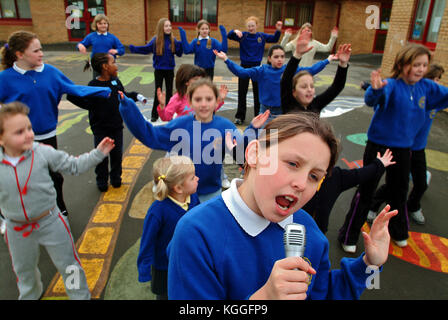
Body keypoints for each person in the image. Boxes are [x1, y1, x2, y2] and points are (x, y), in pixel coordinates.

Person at [167, 112, 398, 300]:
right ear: (255, 154)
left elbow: (325, 293)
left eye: (314, 177)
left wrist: (369, 265)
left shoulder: (311, 233)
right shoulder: (196, 233)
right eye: (292, 163)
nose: (301, 184)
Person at [338, 44, 448, 252]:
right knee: (367, 190)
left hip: (404, 149)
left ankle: (398, 232)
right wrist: (375, 89)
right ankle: (348, 235)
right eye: (415, 65)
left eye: (424, 65)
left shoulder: (427, 87)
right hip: (379, 146)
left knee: (399, 192)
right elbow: (371, 99)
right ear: (403, 64)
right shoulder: (390, 85)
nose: (420, 69)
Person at [0, 101, 115, 300]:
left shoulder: (42, 152)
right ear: (1, 138)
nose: (28, 134)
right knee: (24, 271)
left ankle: (79, 295)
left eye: (29, 128)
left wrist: (98, 154)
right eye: (19, 132)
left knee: (69, 265)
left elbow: (74, 165)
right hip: (17, 229)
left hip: (50, 221)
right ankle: (30, 294)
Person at [0, 31, 112, 216]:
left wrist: (105, 91)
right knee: (17, 177)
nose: (41, 54)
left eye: (41, 49)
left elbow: (75, 89)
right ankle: (8, 214)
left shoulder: (51, 72)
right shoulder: (5, 78)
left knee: (54, 175)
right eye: (36, 51)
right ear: (20, 55)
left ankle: (59, 207)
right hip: (16, 139)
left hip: (47, 136)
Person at [119, 78, 259, 203]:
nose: (203, 104)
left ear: (217, 101)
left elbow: (243, 154)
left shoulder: (225, 127)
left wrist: (252, 129)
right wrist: (128, 107)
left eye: (208, 99)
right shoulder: (180, 125)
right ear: (190, 102)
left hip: (211, 192)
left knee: (207, 229)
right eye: (198, 99)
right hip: (181, 193)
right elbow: (151, 136)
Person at [367, 63, 446, 225]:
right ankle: (374, 205)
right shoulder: (412, 95)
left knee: (421, 184)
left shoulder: (432, 99)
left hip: (418, 149)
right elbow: (381, 104)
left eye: (438, 80)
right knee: (393, 185)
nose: (435, 83)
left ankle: (413, 206)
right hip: (402, 148)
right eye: (432, 79)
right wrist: (375, 90)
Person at [66, 53, 144, 192]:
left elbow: (122, 94)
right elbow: (86, 101)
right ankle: (101, 180)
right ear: (105, 67)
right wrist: (72, 94)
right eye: (113, 62)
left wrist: (137, 96)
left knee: (116, 155)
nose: (116, 65)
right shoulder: (94, 85)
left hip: (116, 126)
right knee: (101, 155)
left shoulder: (115, 81)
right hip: (100, 128)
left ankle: (115, 178)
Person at [137, 155, 200, 300]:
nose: (197, 178)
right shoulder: (157, 212)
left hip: (188, 259)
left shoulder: (194, 198)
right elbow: (147, 242)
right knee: (165, 295)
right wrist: (144, 269)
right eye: (192, 178)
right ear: (178, 188)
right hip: (164, 266)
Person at [214, 44, 332, 121]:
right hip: (265, 111)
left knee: (281, 143)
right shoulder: (262, 70)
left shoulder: (289, 70)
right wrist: (226, 60)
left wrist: (327, 60)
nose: (280, 59)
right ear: (269, 58)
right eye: (276, 57)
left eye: (282, 56)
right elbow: (242, 72)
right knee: (264, 141)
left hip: (284, 111)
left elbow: (311, 70)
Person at [304, 149, 395, 235]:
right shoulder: (300, 174)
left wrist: (379, 164)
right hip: (296, 226)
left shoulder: (336, 176)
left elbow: (359, 174)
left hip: (317, 231)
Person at [281, 30, 351, 115]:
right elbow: (286, 79)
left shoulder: (316, 105)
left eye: (312, 86)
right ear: (294, 92)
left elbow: (337, 86)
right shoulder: (289, 103)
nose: (309, 90)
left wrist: (343, 64)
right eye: (304, 87)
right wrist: (297, 55)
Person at [227, 17, 283, 124]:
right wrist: (234, 31)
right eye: (248, 26)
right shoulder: (243, 36)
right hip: (244, 67)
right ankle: (240, 116)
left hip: (257, 69)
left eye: (252, 25)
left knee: (258, 94)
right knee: (242, 93)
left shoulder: (261, 36)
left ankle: (258, 116)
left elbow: (274, 39)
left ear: (257, 25)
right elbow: (229, 36)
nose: (250, 28)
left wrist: (278, 30)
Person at [129, 18, 183, 122]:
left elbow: (179, 53)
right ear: (161, 28)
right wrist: (134, 48)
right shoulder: (156, 40)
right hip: (159, 70)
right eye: (166, 26)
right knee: (157, 92)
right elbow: (146, 49)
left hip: (169, 70)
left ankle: (168, 113)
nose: (168, 28)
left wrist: (180, 45)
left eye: (170, 26)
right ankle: (155, 114)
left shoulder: (173, 40)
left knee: (169, 92)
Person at [156, 64, 227, 121]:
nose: (200, 82)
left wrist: (220, 99)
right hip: (183, 133)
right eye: (196, 79)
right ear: (186, 81)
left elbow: (210, 109)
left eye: (201, 79)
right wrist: (162, 106)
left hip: (199, 130)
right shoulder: (177, 98)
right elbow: (166, 117)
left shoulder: (202, 95)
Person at [77, 14, 125, 78]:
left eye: (105, 23)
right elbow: (81, 44)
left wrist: (116, 51)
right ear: (96, 25)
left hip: (109, 66)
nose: (103, 25)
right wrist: (80, 46)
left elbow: (122, 50)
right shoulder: (91, 36)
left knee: (112, 84)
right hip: (97, 66)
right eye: (100, 23)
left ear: (108, 25)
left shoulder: (112, 37)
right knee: (97, 84)